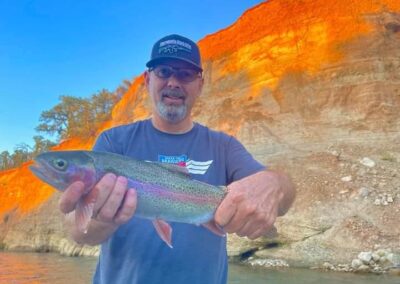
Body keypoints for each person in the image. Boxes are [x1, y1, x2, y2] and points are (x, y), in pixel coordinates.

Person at [58, 34, 295, 284]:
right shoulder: (113, 142)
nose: (173, 82)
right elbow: (78, 232)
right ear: (148, 80)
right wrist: (100, 219)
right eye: (164, 71)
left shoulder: (224, 146)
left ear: (200, 84)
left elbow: (286, 198)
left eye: (185, 74)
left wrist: (275, 184)